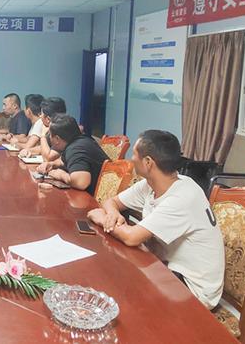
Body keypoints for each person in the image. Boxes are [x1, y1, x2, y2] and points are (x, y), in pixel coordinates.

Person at [86, 130, 224, 309]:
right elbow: (111, 202)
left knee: (121, 292)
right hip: (166, 267)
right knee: (112, 273)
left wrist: (101, 218)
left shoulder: (182, 196)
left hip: (193, 287)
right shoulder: (152, 184)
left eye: (134, 154)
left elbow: (132, 237)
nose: (131, 159)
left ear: (148, 162)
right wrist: (112, 214)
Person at [36, 114, 107, 194]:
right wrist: (52, 164)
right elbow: (64, 160)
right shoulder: (80, 141)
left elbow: (81, 182)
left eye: (50, 134)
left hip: (95, 198)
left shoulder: (75, 149)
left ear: (57, 139)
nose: (49, 137)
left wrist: (61, 175)